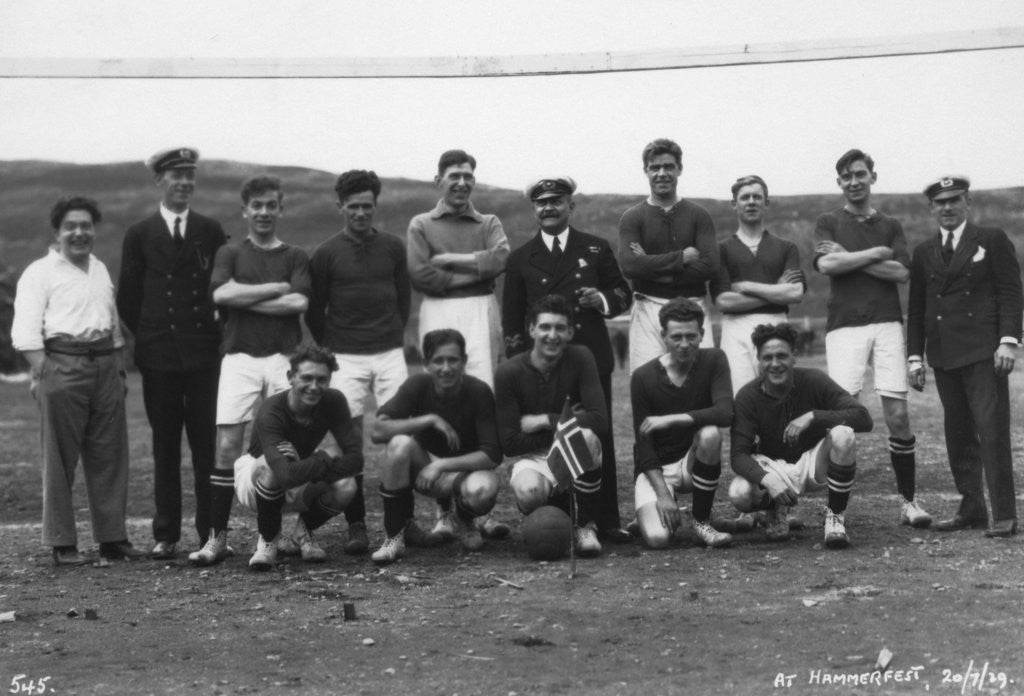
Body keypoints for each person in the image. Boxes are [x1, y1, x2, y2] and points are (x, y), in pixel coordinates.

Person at [189, 175, 313, 566]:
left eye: (270, 205)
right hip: (239, 356)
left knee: (280, 446)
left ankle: (269, 540)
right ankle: (217, 539)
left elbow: (297, 305)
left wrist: (247, 298)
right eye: (256, 205)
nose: (263, 212)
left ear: (281, 208)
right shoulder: (230, 253)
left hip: (283, 357)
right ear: (245, 210)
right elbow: (221, 294)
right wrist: (275, 288)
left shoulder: (295, 254)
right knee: (226, 446)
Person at [502, 176, 632, 543]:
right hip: (540, 366)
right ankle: (555, 515)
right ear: (534, 209)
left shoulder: (594, 249)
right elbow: (512, 321)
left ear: (571, 206)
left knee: (594, 436)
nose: (548, 208)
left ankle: (601, 520)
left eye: (556, 201)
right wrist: (521, 366)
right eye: (541, 202)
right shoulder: (520, 258)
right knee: (546, 436)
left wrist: (602, 300)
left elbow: (624, 293)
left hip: (589, 359)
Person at [12, 196, 139, 565]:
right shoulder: (40, 272)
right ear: (57, 231)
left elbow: (111, 320)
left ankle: (113, 539)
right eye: (71, 226)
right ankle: (62, 543)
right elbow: (25, 331)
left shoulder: (98, 268)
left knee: (110, 456)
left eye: (86, 226)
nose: (80, 233)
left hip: (106, 366)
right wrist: (44, 370)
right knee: (59, 457)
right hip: (62, 366)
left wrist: (118, 366)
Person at [116, 147, 227, 560]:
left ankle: (209, 532)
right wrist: (150, 333)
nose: (183, 183)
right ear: (159, 182)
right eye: (175, 176)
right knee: (165, 445)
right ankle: (166, 533)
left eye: (189, 176)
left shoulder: (210, 229)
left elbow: (219, 288)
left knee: (205, 446)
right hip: (159, 354)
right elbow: (128, 297)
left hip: (203, 353)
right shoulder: (140, 234)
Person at [813, 148, 931, 528]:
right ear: (839, 182)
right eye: (846, 176)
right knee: (843, 420)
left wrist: (853, 256)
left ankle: (909, 502)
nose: (853, 181)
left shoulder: (891, 224)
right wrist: (873, 254)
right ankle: (835, 514)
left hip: (886, 323)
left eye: (860, 174)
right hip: (844, 325)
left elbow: (900, 273)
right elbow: (827, 264)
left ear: (872, 177)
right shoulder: (827, 220)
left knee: (897, 413)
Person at [907, 176, 1023, 538]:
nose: (947, 207)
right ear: (931, 208)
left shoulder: (990, 239)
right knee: (957, 434)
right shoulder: (924, 252)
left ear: (967, 201)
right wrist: (914, 356)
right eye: (939, 202)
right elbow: (918, 309)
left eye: (954, 200)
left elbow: (1010, 292)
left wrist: (1008, 341)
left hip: (984, 353)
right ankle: (971, 506)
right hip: (944, 353)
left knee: (991, 431)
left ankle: (1003, 513)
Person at [307, 169, 410, 555]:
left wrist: (390, 337)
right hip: (344, 355)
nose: (361, 213)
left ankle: (404, 522)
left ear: (375, 205)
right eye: (354, 207)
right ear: (341, 207)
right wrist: (333, 347)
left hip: (388, 352)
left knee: (399, 435)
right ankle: (356, 527)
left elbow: (403, 299)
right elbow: (316, 311)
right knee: (350, 441)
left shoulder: (393, 247)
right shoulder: (326, 252)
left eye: (368, 206)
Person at [729, 324, 873, 548]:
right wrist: (769, 480)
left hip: (811, 462)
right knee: (739, 493)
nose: (775, 364)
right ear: (758, 359)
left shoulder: (814, 380)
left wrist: (813, 416)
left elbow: (863, 418)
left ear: (794, 356)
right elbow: (738, 455)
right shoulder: (748, 395)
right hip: (772, 467)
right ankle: (773, 509)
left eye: (782, 356)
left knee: (843, 434)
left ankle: (835, 517)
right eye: (767, 357)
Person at [369, 329, 503, 564]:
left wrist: (441, 465)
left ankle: (464, 516)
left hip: (464, 472)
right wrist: (428, 419)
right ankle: (394, 537)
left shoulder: (479, 391)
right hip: (426, 470)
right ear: (426, 364)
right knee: (399, 443)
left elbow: (492, 454)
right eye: (438, 361)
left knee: (483, 490)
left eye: (453, 360)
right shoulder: (417, 384)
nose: (446, 368)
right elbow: (378, 431)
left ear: (464, 362)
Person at [494, 294, 607, 556]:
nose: (552, 335)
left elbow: (600, 420)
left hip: (571, 447)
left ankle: (585, 525)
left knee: (589, 436)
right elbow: (510, 444)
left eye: (559, 328)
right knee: (530, 490)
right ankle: (546, 516)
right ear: (531, 329)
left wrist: (545, 420)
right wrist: (567, 423)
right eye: (545, 327)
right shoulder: (509, 372)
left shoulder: (581, 357)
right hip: (534, 456)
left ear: (569, 332)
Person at [234, 344, 363, 570]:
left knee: (347, 485)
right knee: (269, 466)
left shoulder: (334, 401)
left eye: (322, 379)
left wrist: (311, 463)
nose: (314, 386)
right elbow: (284, 474)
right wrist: (323, 458)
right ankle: (268, 540)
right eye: (307, 378)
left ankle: (303, 531)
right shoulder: (272, 408)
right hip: (256, 480)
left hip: (299, 470)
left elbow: (356, 459)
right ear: (290, 377)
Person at [630, 298, 734, 549]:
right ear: (663, 335)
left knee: (710, 434)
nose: (684, 344)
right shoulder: (643, 377)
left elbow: (725, 413)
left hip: (691, 461)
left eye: (691, 336)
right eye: (676, 337)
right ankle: (651, 510)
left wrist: (673, 419)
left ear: (702, 334)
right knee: (657, 540)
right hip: (659, 470)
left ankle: (701, 521)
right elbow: (643, 447)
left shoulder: (714, 360)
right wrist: (664, 496)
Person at [407, 149, 509, 388]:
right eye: (454, 176)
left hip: (481, 309)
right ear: (438, 181)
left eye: (468, 177)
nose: (462, 183)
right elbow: (421, 276)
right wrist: (480, 275)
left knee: (483, 380)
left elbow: (501, 258)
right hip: (437, 309)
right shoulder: (421, 224)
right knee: (438, 380)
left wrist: (451, 259)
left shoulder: (489, 223)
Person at [617, 138, 718, 374]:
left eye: (668, 167)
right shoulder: (632, 217)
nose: (662, 173)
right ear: (646, 171)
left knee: (699, 381)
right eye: (655, 167)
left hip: (693, 305)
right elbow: (630, 267)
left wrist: (652, 268)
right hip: (647, 306)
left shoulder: (699, 215)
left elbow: (710, 266)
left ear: (679, 169)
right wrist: (681, 258)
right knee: (647, 380)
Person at [712, 175, 804, 393]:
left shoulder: (786, 247)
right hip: (736, 329)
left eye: (757, 196)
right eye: (745, 197)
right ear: (734, 204)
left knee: (779, 395)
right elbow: (723, 301)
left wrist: (745, 286)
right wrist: (775, 290)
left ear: (766, 202)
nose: (751, 201)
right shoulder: (722, 249)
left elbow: (795, 293)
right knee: (741, 397)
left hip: (777, 326)